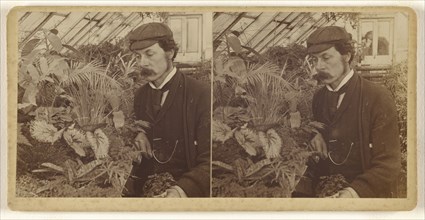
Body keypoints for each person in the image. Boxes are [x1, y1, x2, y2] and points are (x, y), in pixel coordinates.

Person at [306, 26, 401, 198]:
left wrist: (354, 192)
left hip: (364, 198)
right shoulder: (319, 98)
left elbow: (389, 163)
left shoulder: (377, 97)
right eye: (315, 60)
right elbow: (321, 129)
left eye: (326, 57)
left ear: (346, 56)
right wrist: (316, 134)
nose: (319, 66)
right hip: (325, 193)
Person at [121, 22, 211, 197]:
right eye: (138, 56)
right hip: (146, 190)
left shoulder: (200, 93)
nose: (143, 63)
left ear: (170, 52)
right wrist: (139, 134)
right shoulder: (141, 95)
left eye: (149, 54)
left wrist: (182, 190)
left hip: (184, 192)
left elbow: (210, 159)